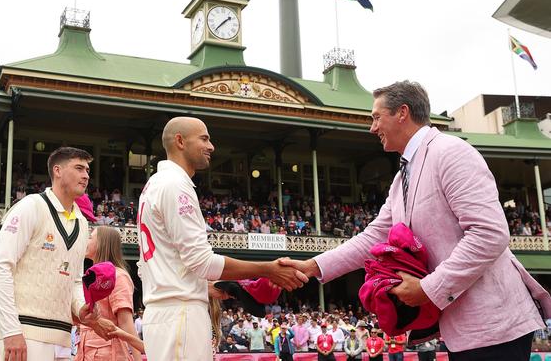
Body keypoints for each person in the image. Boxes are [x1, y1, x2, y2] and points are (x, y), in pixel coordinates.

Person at [280, 81, 551, 361]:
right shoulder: (401, 179)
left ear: (402, 113)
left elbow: (489, 234)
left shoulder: (451, 152)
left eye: (376, 117)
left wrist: (428, 288)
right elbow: (374, 238)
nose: (372, 128)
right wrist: (312, 266)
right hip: (465, 329)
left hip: (496, 324)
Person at [137, 116, 308, 360]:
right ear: (180, 141)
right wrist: (267, 269)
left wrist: (208, 287)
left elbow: (155, 266)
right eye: (204, 139)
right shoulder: (175, 185)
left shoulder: (155, 183)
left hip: (166, 313)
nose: (211, 146)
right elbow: (202, 261)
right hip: (180, 315)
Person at [0, 147, 113, 361]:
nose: (86, 175)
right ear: (57, 170)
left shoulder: (82, 224)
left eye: (88, 170)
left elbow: (74, 279)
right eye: (79, 168)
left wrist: (81, 306)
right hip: (21, 332)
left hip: (60, 337)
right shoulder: (31, 207)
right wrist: (11, 330)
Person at [75, 226, 142, 361]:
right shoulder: (90, 276)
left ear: (102, 243)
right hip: (85, 351)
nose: (86, 241)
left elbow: (125, 322)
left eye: (90, 237)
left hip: (108, 353)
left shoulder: (118, 276)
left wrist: (137, 358)